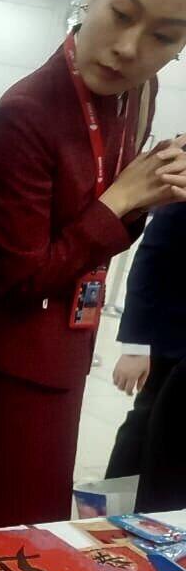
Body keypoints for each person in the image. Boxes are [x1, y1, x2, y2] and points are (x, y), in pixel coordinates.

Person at [0, 0, 186, 530]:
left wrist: (152, 189)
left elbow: (111, 219)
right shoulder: (24, 116)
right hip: (10, 364)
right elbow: (17, 277)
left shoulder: (139, 92)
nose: (130, 48)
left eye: (164, 35)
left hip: (69, 348)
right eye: (123, 14)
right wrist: (124, 199)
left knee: (38, 527)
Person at [105, 203, 186, 511]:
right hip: (171, 344)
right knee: (147, 429)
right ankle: (110, 514)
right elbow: (151, 261)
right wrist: (137, 345)